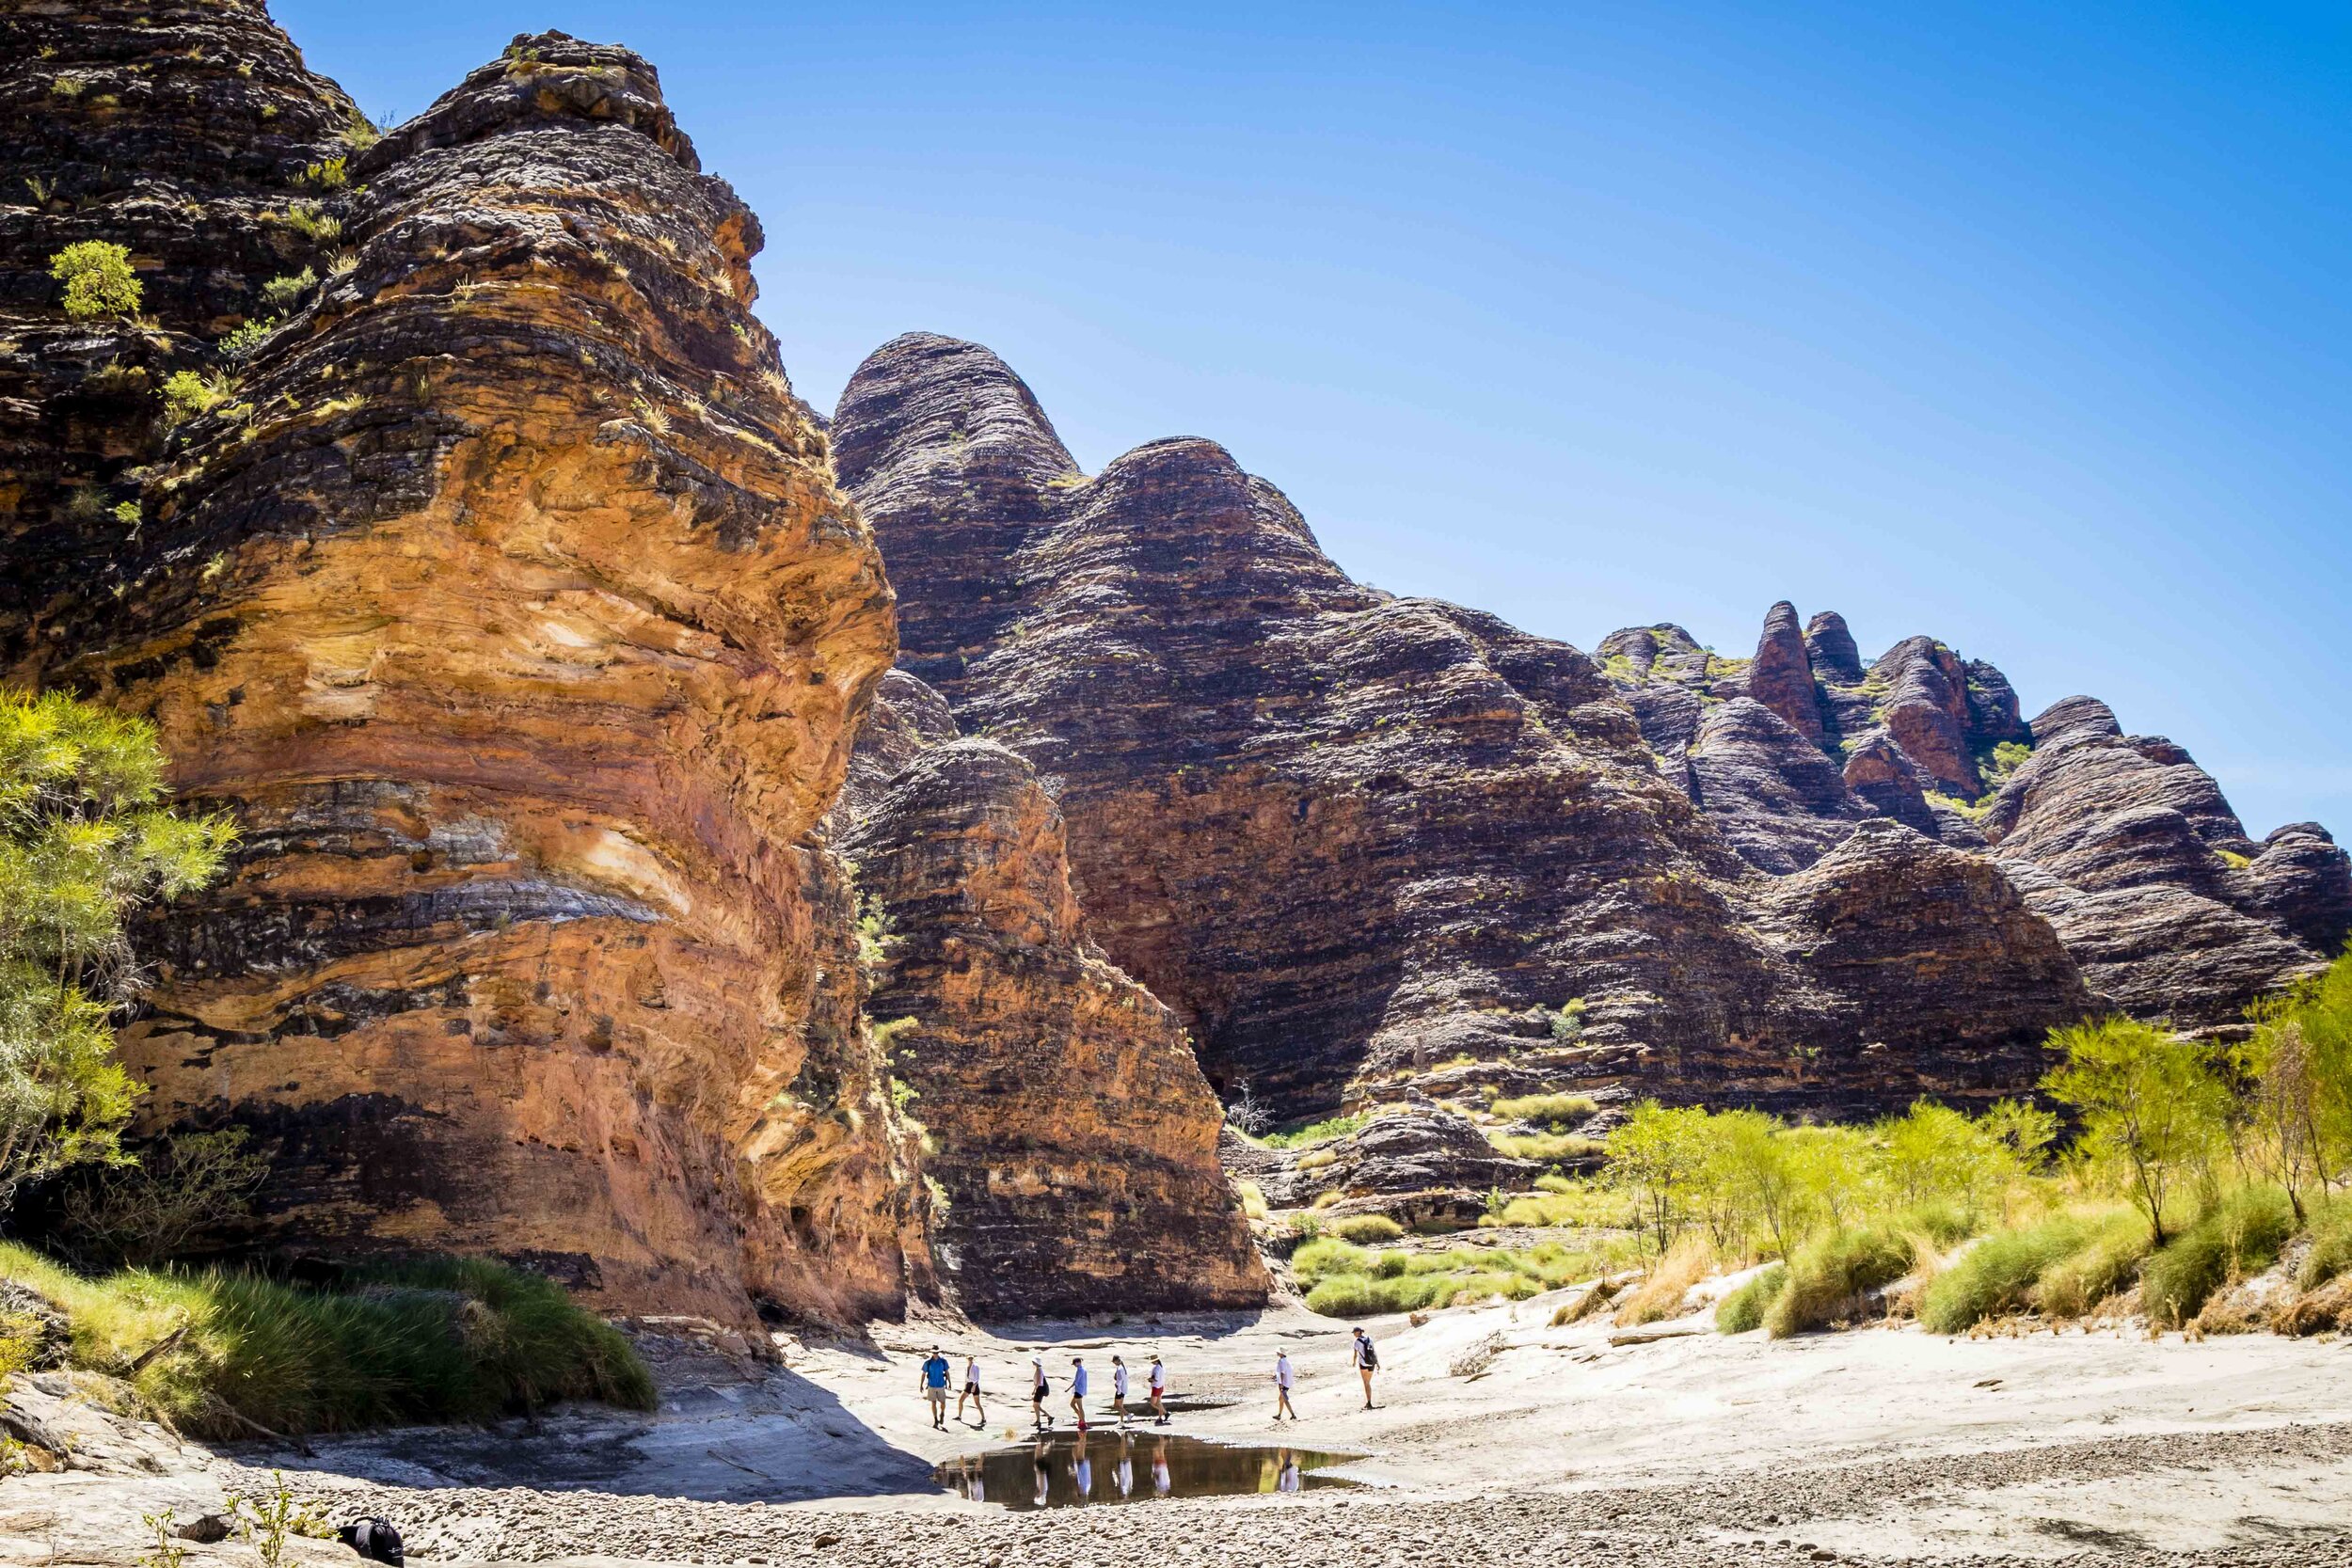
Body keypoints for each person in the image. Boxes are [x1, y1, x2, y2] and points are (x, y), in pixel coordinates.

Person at [918, 1346, 951, 1431]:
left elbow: (947, 1372)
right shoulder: (928, 1363)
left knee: (943, 1402)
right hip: (931, 1385)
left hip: (940, 1384)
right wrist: (921, 1384)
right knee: (933, 1403)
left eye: (936, 1353)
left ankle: (942, 1414)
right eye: (934, 1353)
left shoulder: (943, 1362)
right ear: (932, 1353)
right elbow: (923, 1374)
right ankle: (936, 1419)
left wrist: (950, 1383)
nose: (935, 1354)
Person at [1351, 1326, 1378, 1410]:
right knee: (1368, 1383)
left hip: (1363, 1364)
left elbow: (1355, 1354)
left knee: (1366, 1383)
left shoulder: (1356, 1342)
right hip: (1372, 1363)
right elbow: (1373, 1351)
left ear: (1358, 1332)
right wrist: (1377, 1362)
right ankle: (1368, 1402)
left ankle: (1369, 1403)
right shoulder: (1370, 1339)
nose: (1354, 1334)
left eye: (1355, 1332)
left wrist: (1354, 1362)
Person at [957, 1354, 986, 1426]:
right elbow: (966, 1377)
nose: (970, 1360)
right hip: (968, 1385)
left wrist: (974, 1386)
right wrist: (965, 1385)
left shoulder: (976, 1367)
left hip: (974, 1385)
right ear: (967, 1359)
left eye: (971, 1358)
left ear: (973, 1359)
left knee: (977, 1403)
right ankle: (959, 1416)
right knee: (960, 1400)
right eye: (969, 1358)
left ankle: (983, 1419)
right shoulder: (966, 1367)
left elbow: (977, 1378)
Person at [1029, 1353, 1054, 1432]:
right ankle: (1039, 1421)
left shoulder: (1039, 1370)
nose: (1032, 1363)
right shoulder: (1038, 1369)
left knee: (1036, 1405)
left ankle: (1047, 1417)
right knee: (1036, 1405)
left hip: (1040, 1389)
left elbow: (1039, 1381)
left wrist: (1034, 1390)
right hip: (1041, 1389)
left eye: (1033, 1362)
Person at [1273, 1349, 1297, 1421]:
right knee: (1281, 1399)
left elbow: (1282, 1372)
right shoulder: (1286, 1361)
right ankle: (1279, 1415)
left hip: (1284, 1383)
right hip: (1287, 1382)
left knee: (1284, 1399)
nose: (1277, 1353)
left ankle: (1293, 1415)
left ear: (1281, 1353)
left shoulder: (1282, 1361)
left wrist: (1281, 1384)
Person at [1069, 1354, 1090, 1431]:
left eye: (1074, 1363)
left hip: (1078, 1391)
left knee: (1080, 1407)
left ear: (1078, 1363)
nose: (1074, 1365)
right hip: (1081, 1390)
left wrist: (1068, 1388)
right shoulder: (1084, 1369)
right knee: (1072, 1404)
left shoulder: (1080, 1370)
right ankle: (1081, 1418)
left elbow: (1076, 1381)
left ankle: (1084, 1422)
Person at [1146, 1353, 1168, 1426]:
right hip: (1161, 1386)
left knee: (1153, 1403)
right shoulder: (1161, 1367)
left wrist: (1150, 1379)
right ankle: (1160, 1418)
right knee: (1159, 1403)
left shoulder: (1157, 1368)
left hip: (1156, 1387)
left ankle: (1165, 1413)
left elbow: (1156, 1379)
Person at [1110, 1354, 1131, 1427]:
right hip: (1123, 1389)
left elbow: (1119, 1380)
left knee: (1116, 1406)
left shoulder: (1119, 1369)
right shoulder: (1122, 1368)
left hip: (1120, 1389)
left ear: (1116, 1361)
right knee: (1121, 1405)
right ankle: (1122, 1421)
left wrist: (1116, 1384)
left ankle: (1128, 1415)